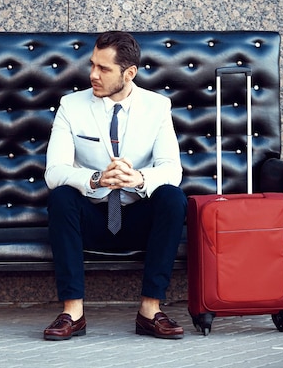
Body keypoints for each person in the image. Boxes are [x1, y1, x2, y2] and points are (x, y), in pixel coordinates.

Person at [43, 31, 187, 340]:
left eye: (104, 69)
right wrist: (95, 179)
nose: (93, 74)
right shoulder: (71, 106)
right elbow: (54, 172)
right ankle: (73, 313)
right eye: (92, 65)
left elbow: (172, 169)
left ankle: (150, 311)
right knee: (62, 197)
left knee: (172, 197)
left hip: (137, 218)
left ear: (129, 73)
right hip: (91, 217)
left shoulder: (157, 107)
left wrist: (140, 179)